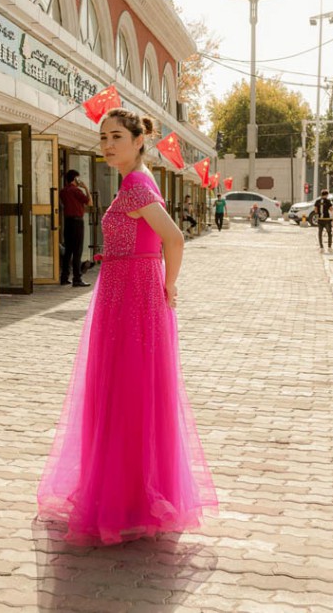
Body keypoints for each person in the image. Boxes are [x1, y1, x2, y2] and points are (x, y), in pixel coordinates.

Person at [38, 107, 217, 546]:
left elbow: (173, 238)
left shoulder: (137, 185)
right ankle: (128, 492)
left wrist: (168, 286)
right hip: (121, 296)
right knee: (122, 393)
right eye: (103, 138)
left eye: (116, 136)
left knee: (128, 392)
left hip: (134, 299)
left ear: (139, 141)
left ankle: (130, 497)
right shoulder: (131, 184)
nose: (107, 145)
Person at [59, 169, 91, 287]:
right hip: (77, 222)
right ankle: (77, 278)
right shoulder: (76, 191)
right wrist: (86, 188)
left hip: (67, 222)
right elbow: (89, 202)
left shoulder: (63, 192)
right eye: (78, 178)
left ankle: (64, 277)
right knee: (77, 251)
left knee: (68, 250)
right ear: (75, 179)